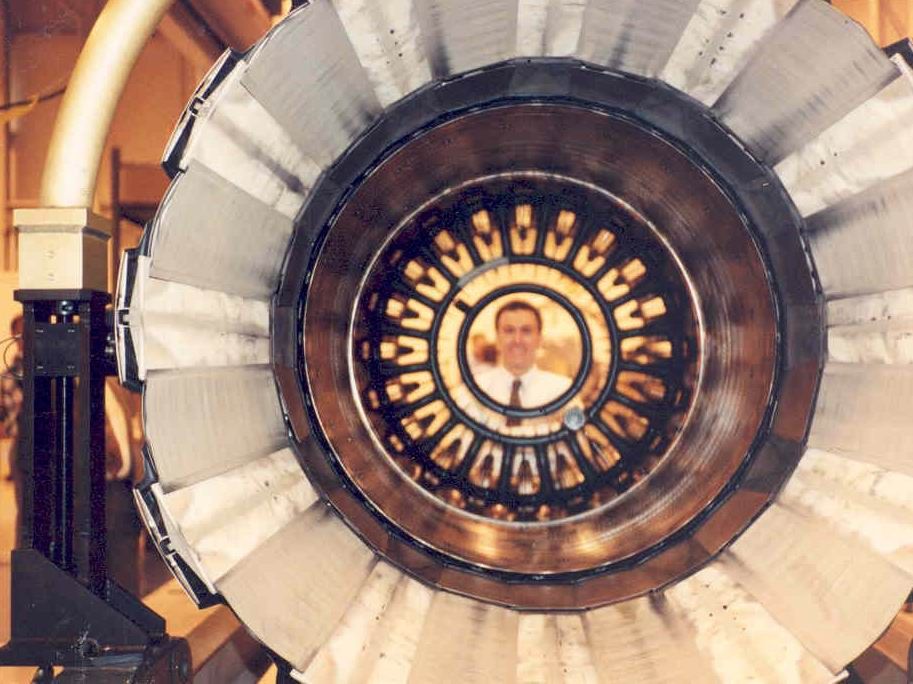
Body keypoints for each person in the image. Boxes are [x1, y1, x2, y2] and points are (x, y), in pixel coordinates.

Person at [475, 300, 572, 422]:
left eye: (526, 331)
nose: (517, 340)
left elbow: (578, 432)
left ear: (539, 339)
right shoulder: (474, 391)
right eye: (509, 331)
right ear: (497, 339)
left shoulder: (563, 392)